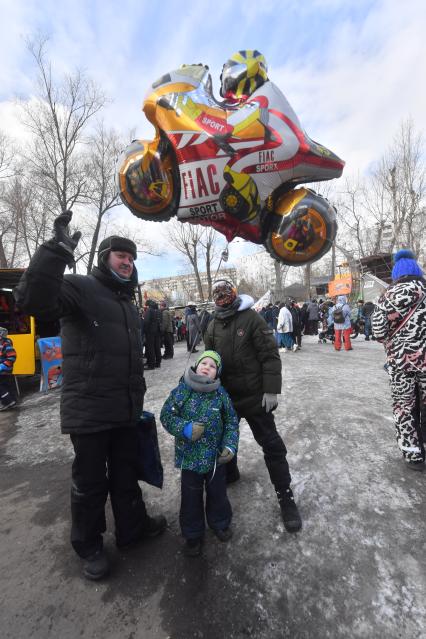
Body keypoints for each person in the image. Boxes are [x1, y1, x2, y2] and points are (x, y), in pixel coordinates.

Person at [14, 212, 166, 580]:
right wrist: (56, 252)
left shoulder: (128, 304)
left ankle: (132, 530)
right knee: (90, 482)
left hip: (125, 409)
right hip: (90, 411)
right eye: (120, 255)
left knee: (126, 475)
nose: (127, 261)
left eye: (131, 257)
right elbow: (30, 299)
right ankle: (89, 545)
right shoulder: (80, 288)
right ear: (103, 259)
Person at [204, 279, 302, 533]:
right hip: (227, 399)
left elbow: (269, 355)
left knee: (272, 446)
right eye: (218, 295)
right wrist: (206, 385)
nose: (222, 298)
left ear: (234, 295)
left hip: (256, 397)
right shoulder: (212, 325)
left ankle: (285, 495)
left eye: (226, 293)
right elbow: (210, 360)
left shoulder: (251, 319)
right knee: (224, 443)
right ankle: (231, 472)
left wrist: (271, 389)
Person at [160, 350, 239, 556]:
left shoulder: (221, 394)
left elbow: (231, 422)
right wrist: (184, 428)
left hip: (215, 459)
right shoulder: (183, 389)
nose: (207, 367)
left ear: (217, 373)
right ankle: (193, 534)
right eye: (204, 363)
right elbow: (166, 415)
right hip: (190, 459)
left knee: (218, 494)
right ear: (196, 366)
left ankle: (219, 522)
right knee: (191, 498)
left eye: (212, 366)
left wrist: (230, 446)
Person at [372, 249, 426, 470]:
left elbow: (377, 331)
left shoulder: (388, 295)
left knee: (404, 407)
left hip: (400, 364)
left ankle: (413, 455)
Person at [0, 327, 17, 410]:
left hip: (4, 370)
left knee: (1, 387)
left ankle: (8, 402)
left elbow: (12, 356)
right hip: (3, 370)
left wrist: (3, 366)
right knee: (5, 385)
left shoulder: (6, 344)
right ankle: (12, 401)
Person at [144, 300, 162, 369]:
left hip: (150, 332)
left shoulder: (149, 311)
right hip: (157, 331)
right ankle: (158, 363)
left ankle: (151, 364)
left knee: (150, 348)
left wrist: (145, 330)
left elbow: (146, 321)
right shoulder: (158, 311)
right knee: (157, 347)